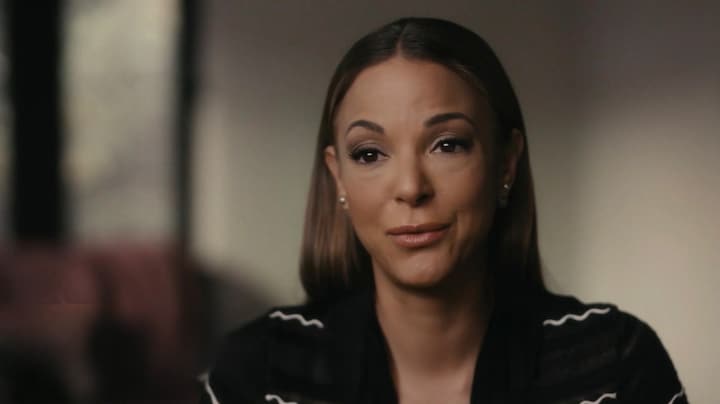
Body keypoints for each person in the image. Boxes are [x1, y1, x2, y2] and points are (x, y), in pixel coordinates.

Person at [200, 17, 687, 404]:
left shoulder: (616, 366)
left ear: (506, 163)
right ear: (338, 177)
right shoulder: (257, 373)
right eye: (369, 154)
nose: (411, 187)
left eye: (448, 144)